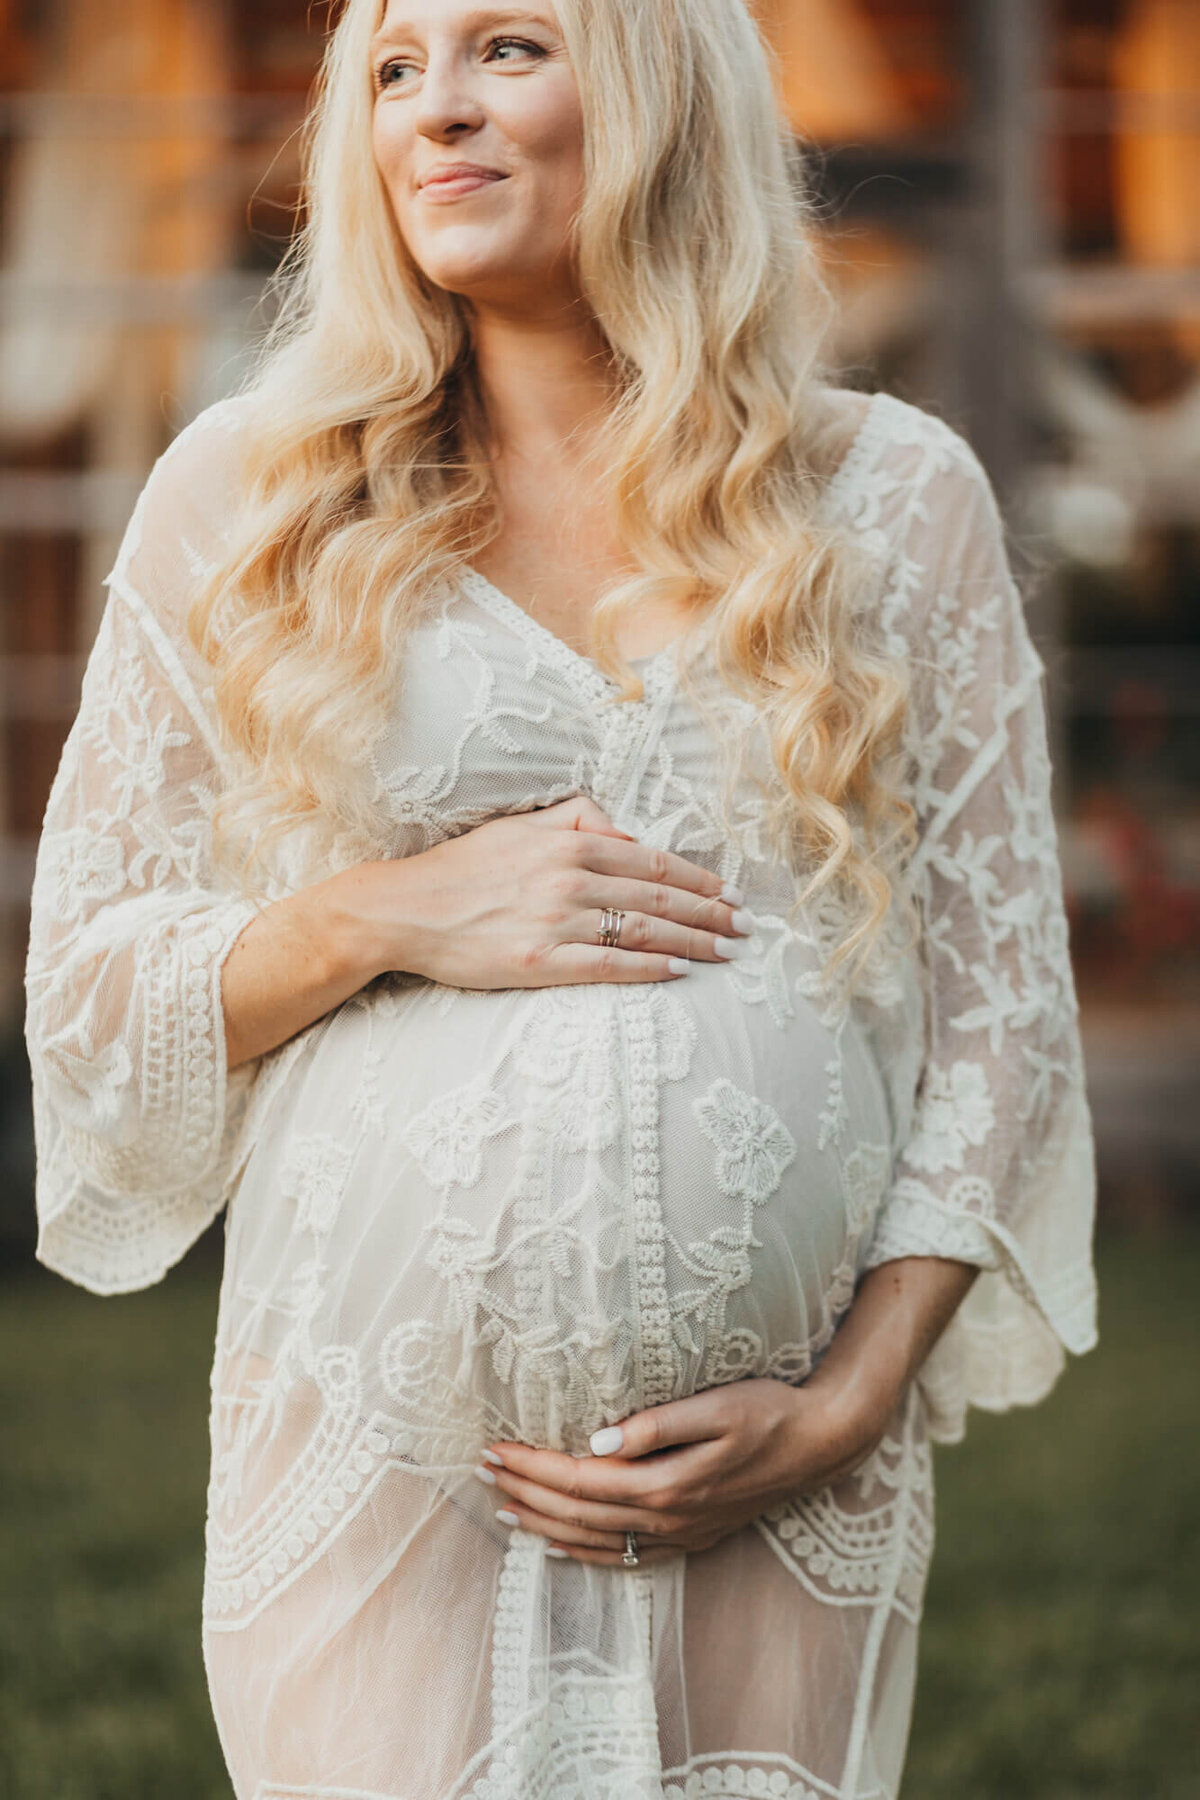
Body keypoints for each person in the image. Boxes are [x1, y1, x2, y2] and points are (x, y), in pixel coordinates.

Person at [24, 1, 1099, 1795]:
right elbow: (86, 991)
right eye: (391, 69)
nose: (434, 109)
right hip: (375, 1443)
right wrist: (381, 913)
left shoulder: (897, 497)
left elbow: (1003, 1007)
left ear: (663, 85)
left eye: (505, 47)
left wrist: (842, 1409)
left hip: (781, 1474)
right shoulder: (250, 498)